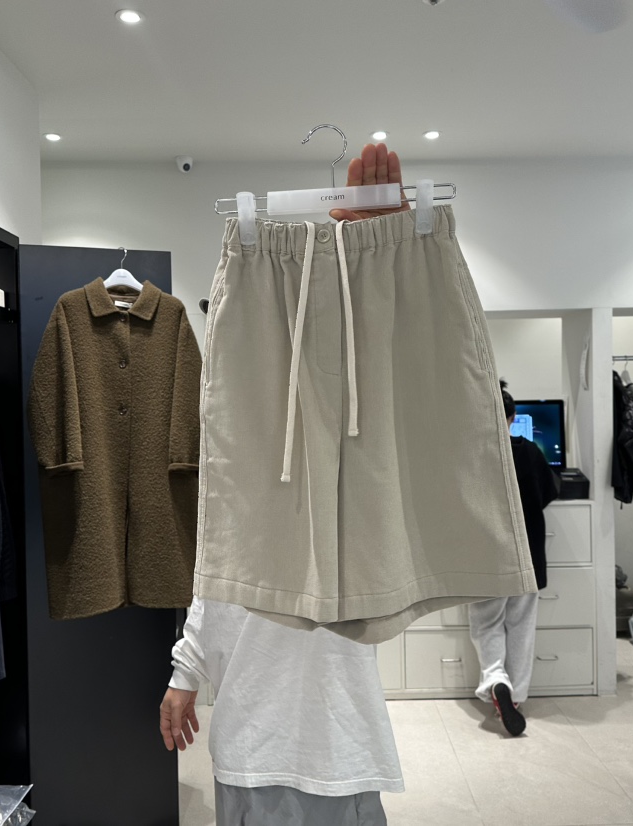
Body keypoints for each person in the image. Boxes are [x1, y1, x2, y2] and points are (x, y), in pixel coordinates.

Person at [160, 143, 408, 826]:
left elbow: (392, 402)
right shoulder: (237, 447)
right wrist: (186, 670)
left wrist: (378, 268)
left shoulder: (350, 444)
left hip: (337, 741)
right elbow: (217, 572)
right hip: (251, 735)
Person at [468, 380, 560, 737]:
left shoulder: (474, 453)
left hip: (485, 556)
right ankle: (516, 697)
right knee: (521, 625)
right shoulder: (531, 452)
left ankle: (496, 680)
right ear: (513, 417)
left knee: (487, 624)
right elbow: (548, 492)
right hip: (528, 555)